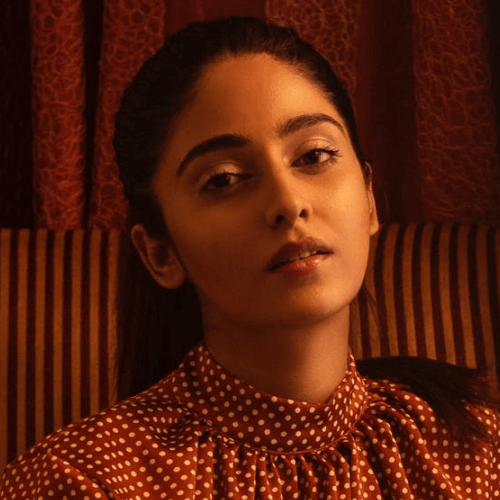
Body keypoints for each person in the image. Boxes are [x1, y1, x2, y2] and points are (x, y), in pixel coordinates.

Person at [1, 16, 499, 499]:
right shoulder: (82, 480)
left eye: (315, 155)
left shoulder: (472, 444)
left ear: (369, 199)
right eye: (223, 179)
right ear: (160, 253)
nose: (288, 202)